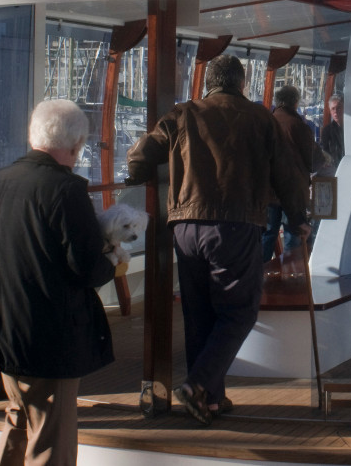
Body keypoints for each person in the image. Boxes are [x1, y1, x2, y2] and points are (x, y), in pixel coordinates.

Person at [125, 55, 311, 425]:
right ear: (241, 83)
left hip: (184, 227)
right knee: (239, 311)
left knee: (199, 314)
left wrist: (137, 174)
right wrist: (298, 219)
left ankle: (209, 400)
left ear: (207, 82)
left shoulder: (184, 113)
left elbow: (139, 155)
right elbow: (288, 175)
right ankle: (196, 387)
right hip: (234, 225)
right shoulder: (261, 119)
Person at [0, 99, 115, 466]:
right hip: (48, 334)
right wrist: (110, 259)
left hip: (0, 326)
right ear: (76, 145)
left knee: (19, 420)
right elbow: (86, 267)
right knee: (51, 441)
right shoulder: (66, 189)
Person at [262, 85, 321, 260]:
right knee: (292, 237)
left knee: (268, 235)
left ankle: (260, 278)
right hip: (293, 190)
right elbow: (314, 160)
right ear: (295, 103)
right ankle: (290, 277)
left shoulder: (267, 123)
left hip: (269, 191)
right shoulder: (297, 125)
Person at [319, 94, 344, 174]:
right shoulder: (327, 131)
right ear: (330, 111)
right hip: (335, 171)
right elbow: (325, 153)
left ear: (344, 108)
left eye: (338, 108)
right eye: (333, 109)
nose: (335, 111)